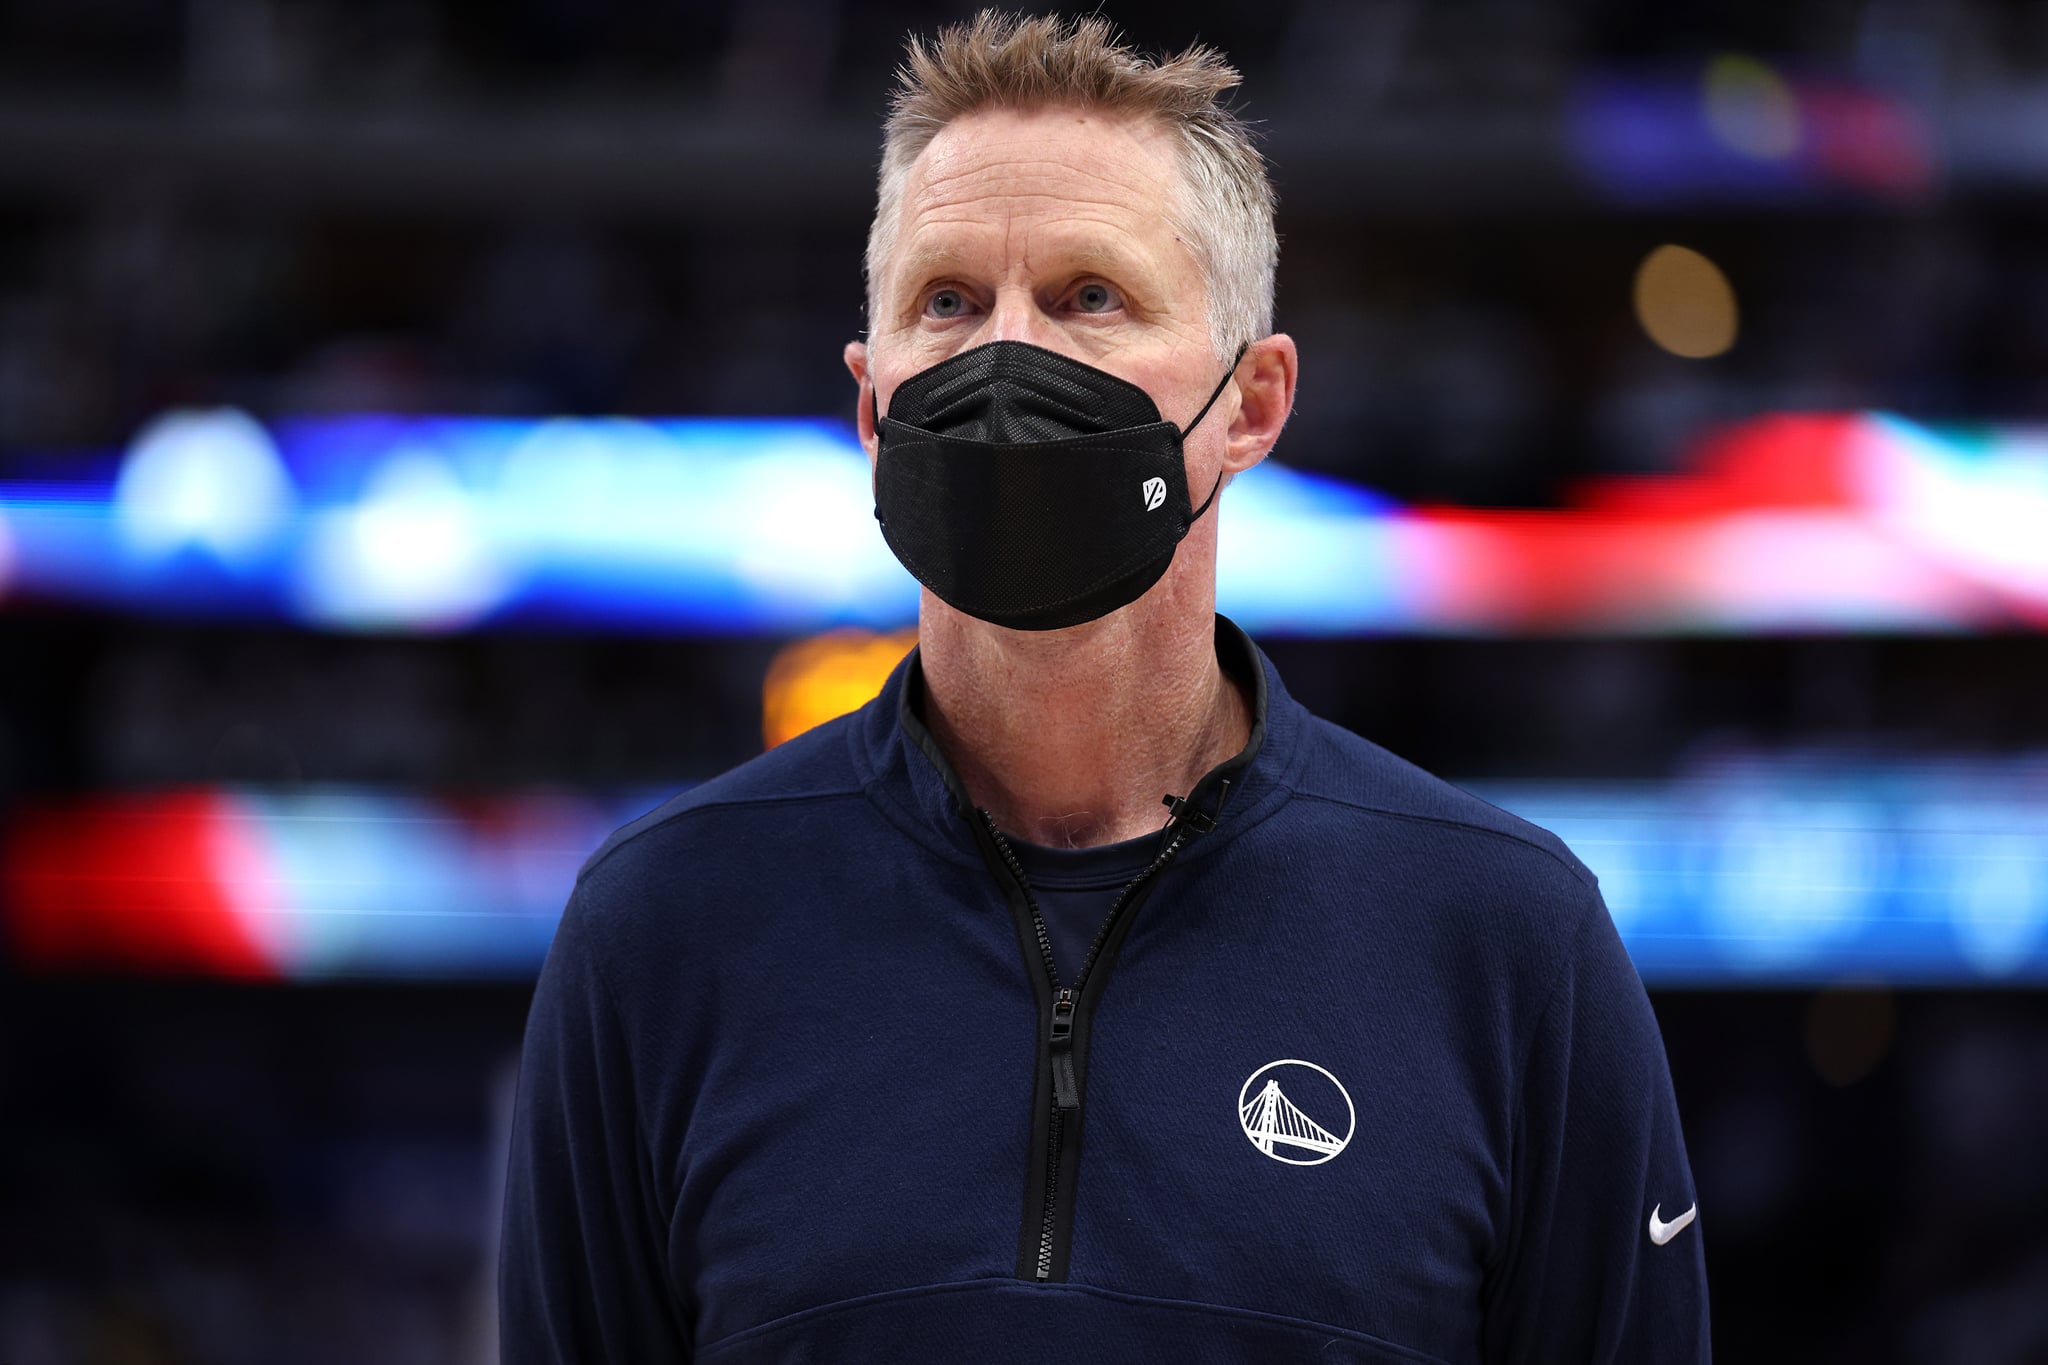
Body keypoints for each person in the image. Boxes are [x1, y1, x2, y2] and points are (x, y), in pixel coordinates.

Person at [499, 11, 1710, 1362]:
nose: (1006, 364)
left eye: (1091, 298)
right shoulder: (659, 930)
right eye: (947, 301)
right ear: (870, 401)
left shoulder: (1507, 944)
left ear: (1253, 402)